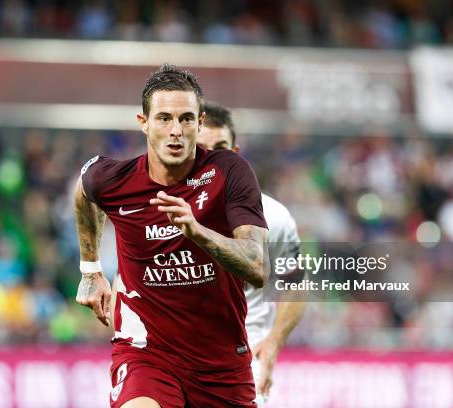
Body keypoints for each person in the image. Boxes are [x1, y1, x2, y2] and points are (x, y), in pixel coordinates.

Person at [74, 64, 268, 408]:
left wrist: (198, 232)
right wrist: (90, 268)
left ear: (200, 122)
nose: (175, 130)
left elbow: (257, 267)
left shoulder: (228, 172)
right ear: (143, 122)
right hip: (147, 354)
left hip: (222, 364)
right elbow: (84, 190)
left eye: (186, 119)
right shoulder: (114, 180)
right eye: (164, 118)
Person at [197, 102, 306, 404]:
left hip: (245, 364)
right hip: (177, 361)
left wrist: (273, 343)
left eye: (220, 147)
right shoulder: (165, 211)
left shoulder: (274, 216)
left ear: (234, 153)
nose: (211, 156)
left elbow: (297, 284)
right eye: (202, 148)